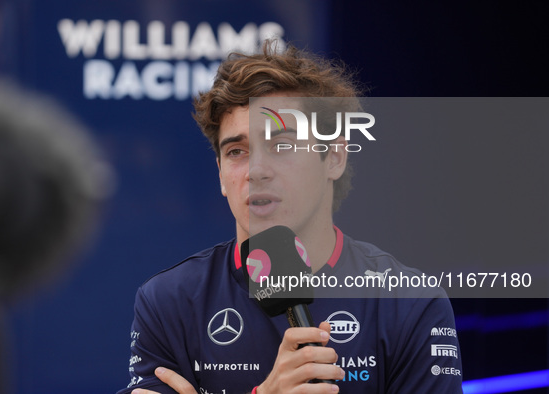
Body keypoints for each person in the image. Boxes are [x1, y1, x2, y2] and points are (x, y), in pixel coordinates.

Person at [117, 41, 463, 394]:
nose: (256, 170)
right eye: (236, 151)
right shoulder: (168, 301)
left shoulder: (410, 303)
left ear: (334, 158)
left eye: (281, 145)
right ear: (221, 173)